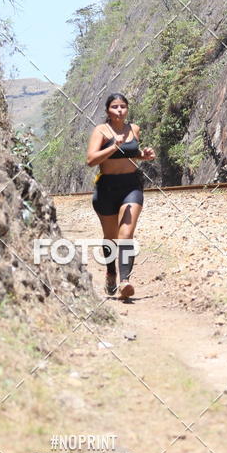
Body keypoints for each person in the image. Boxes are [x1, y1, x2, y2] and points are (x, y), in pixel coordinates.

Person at [86, 93, 156, 299]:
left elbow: (131, 154)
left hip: (131, 186)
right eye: (115, 107)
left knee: (126, 234)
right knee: (111, 238)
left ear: (127, 109)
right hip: (106, 188)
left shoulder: (134, 129)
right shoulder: (101, 131)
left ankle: (125, 281)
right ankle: (111, 273)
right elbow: (91, 160)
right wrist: (113, 146)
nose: (119, 110)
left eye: (123, 106)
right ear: (108, 110)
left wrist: (143, 155)